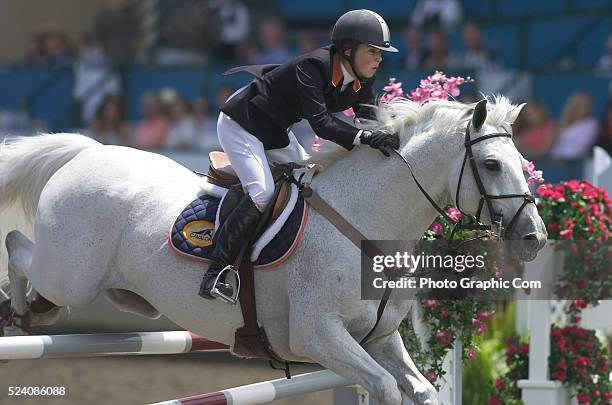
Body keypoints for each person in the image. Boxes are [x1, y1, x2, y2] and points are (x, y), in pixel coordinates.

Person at [199, 9, 401, 300]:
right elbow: (321, 124)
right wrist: (366, 137)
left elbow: (368, 118)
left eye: (380, 53)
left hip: (275, 132)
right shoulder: (313, 66)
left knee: (311, 179)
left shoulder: (362, 77)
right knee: (262, 193)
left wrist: (393, 137)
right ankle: (216, 271)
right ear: (348, 49)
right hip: (242, 124)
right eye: (372, 51)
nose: (378, 59)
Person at [550, 92, 599, 159]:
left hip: (576, 164)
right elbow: (554, 146)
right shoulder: (564, 123)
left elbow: (580, 147)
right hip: (556, 162)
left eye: (583, 106)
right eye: (577, 105)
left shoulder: (591, 124)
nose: (578, 109)